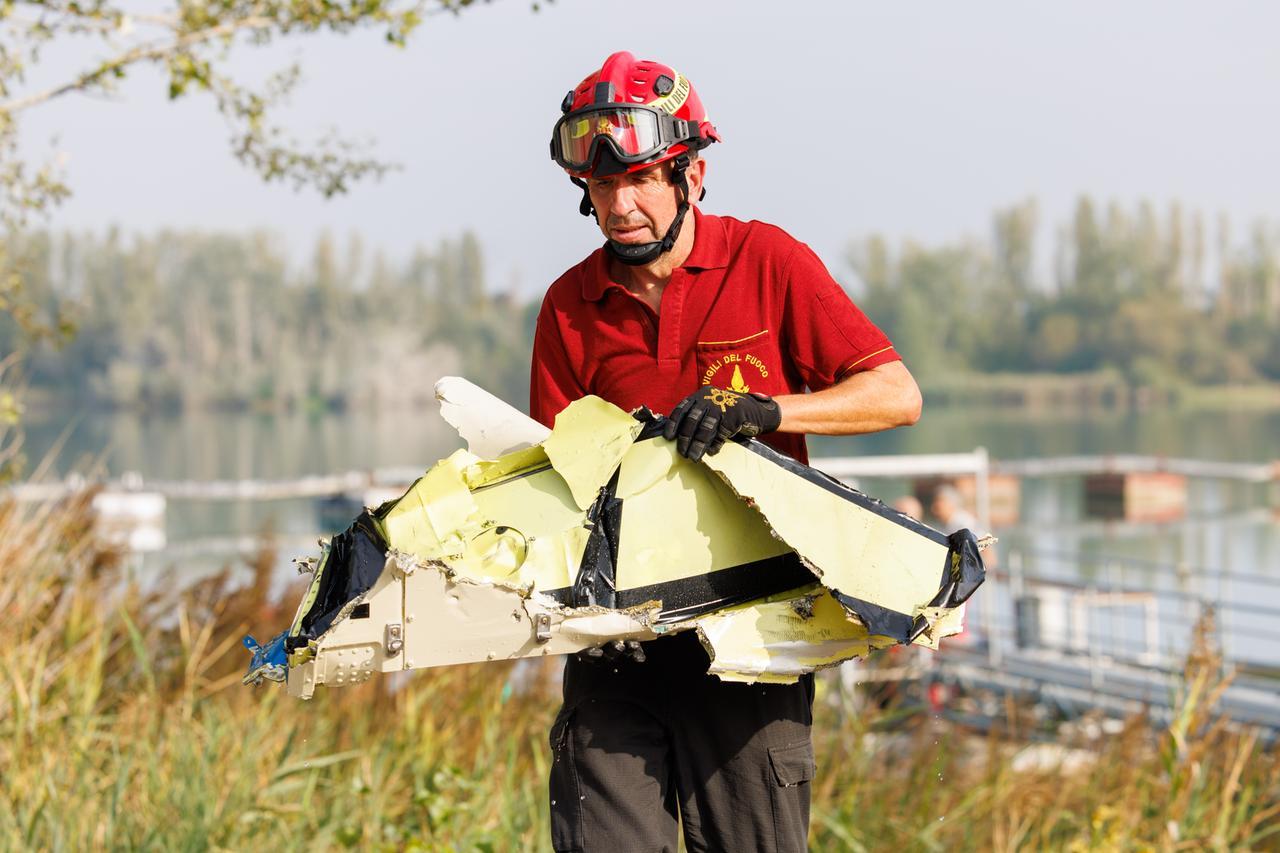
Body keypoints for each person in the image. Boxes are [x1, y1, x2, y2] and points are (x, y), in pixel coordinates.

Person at [531, 51, 922, 853]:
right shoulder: (571, 306)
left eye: (640, 179)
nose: (621, 204)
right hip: (618, 640)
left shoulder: (767, 261)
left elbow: (896, 393)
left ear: (693, 176)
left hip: (755, 638)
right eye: (603, 186)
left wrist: (768, 410)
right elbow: (548, 479)